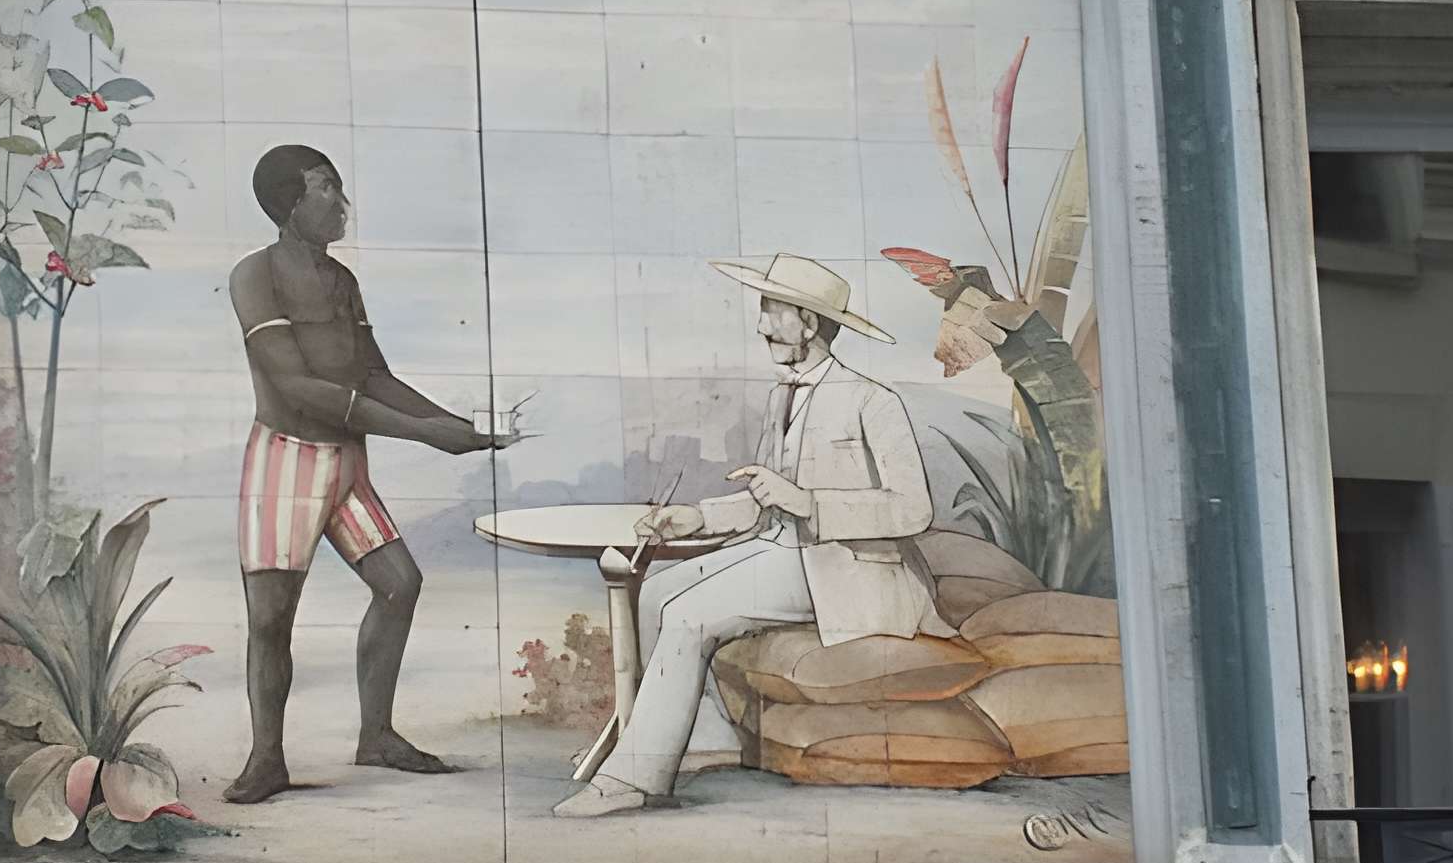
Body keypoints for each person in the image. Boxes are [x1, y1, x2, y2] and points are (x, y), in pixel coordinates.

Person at [554, 252, 943, 818]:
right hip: (783, 550)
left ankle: (635, 781)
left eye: (771, 311)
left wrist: (809, 503)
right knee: (658, 589)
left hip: (845, 568)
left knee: (689, 615)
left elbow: (914, 510)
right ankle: (703, 742)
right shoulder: (779, 395)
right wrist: (696, 518)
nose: (761, 325)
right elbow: (765, 498)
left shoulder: (872, 401)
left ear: (808, 324)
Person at [226, 143, 511, 804]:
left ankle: (376, 735)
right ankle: (266, 758)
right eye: (325, 188)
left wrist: (458, 430)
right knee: (270, 618)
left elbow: (372, 374)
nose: (340, 201)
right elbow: (295, 386)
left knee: (399, 584)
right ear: (287, 203)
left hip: (346, 464)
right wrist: (422, 432)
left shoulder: (342, 281)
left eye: (339, 187)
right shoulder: (255, 275)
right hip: (287, 462)